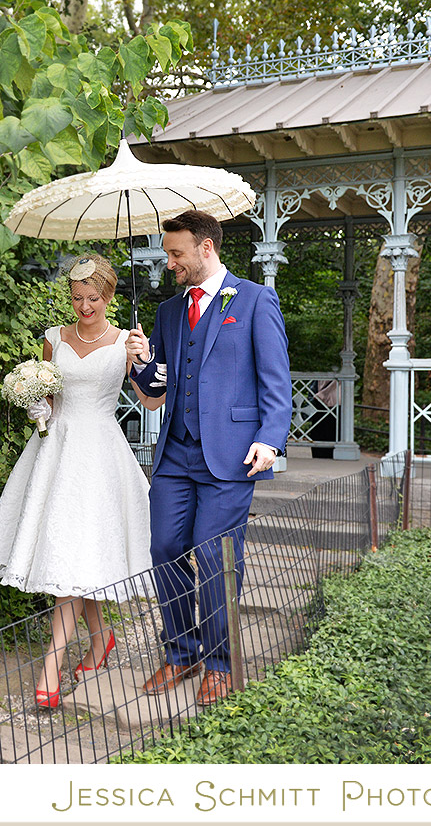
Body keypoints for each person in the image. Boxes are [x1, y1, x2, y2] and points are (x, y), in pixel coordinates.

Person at [0, 253, 165, 709]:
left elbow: (153, 402)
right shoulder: (52, 340)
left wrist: (143, 362)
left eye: (93, 298)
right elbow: (50, 398)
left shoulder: (125, 342)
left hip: (100, 457)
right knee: (72, 554)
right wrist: (37, 408)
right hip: (55, 455)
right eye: (78, 298)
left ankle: (51, 664)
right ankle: (101, 641)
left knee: (76, 558)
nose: (84, 307)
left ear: (109, 296)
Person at [125, 210, 291, 707]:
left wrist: (271, 438)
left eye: (176, 253)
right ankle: (181, 653)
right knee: (164, 547)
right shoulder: (169, 313)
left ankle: (220, 662)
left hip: (233, 453)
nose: (169, 263)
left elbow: (276, 381)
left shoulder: (256, 300)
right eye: (167, 253)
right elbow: (156, 387)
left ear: (206, 249)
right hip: (175, 452)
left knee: (214, 554)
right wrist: (140, 362)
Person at [310, 377, 339, 459]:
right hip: (322, 400)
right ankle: (319, 454)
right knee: (319, 431)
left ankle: (325, 454)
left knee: (329, 430)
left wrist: (321, 395)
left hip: (332, 402)